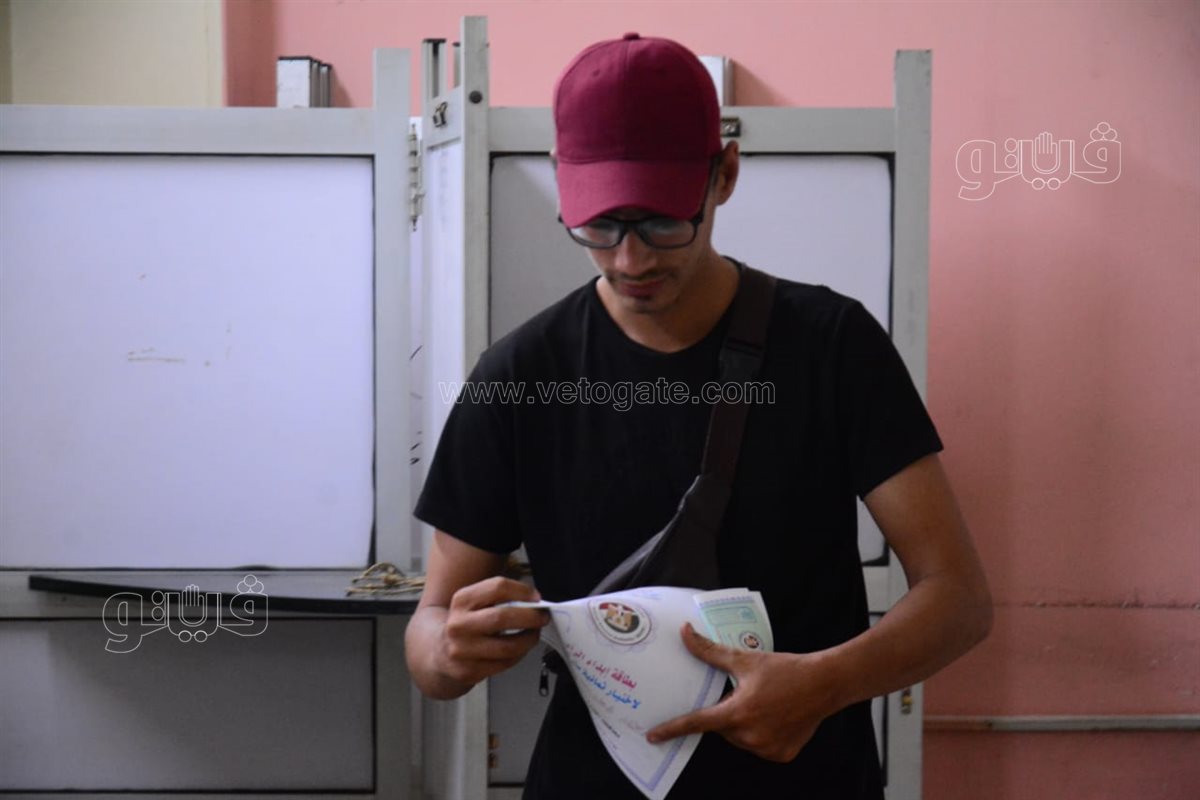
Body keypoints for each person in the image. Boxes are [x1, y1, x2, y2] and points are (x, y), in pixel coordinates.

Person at [405, 32, 993, 799]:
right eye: (601, 225)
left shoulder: (831, 347)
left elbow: (958, 599)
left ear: (725, 175)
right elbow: (429, 630)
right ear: (560, 182)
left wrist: (824, 684)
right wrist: (448, 652)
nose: (631, 260)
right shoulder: (520, 376)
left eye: (661, 222)